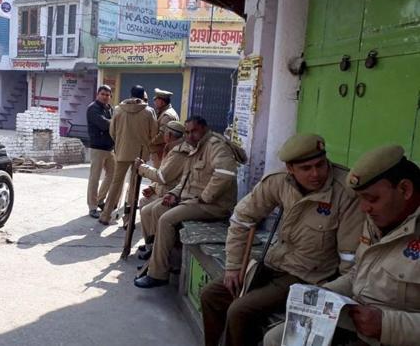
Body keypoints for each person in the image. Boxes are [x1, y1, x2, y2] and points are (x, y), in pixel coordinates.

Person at [200, 133, 365, 346]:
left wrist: (335, 299)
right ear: (290, 169)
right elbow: (242, 218)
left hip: (307, 276)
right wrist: (233, 266)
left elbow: (349, 257)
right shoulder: (279, 181)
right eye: (306, 169)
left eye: (320, 164)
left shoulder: (344, 192)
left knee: (239, 310)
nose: (316, 174)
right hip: (273, 262)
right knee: (211, 296)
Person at [264, 145, 420, 346]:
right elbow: (361, 271)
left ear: (405, 189)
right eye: (361, 199)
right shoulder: (380, 217)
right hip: (356, 323)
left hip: (395, 337)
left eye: (372, 199)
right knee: (276, 339)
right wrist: (323, 294)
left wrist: (386, 325)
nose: (364, 208)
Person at [133, 116, 239, 287]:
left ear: (204, 129)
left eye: (194, 131)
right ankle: (164, 261)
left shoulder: (215, 146)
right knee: (159, 209)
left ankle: (158, 274)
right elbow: (186, 180)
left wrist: (205, 197)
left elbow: (225, 174)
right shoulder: (195, 148)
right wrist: (174, 194)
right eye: (187, 132)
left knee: (166, 219)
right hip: (194, 200)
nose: (190, 135)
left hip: (214, 206)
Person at [99, 85, 157, 225]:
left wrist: (120, 143)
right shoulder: (149, 112)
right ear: (143, 96)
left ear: (130, 94)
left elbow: (112, 132)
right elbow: (154, 133)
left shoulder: (118, 110)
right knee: (134, 186)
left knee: (116, 184)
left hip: (122, 152)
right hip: (140, 154)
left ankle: (106, 215)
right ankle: (127, 219)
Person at [134, 121, 190, 258]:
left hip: (174, 193)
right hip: (166, 190)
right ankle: (150, 244)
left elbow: (164, 176)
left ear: (169, 135)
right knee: (144, 202)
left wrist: (142, 168)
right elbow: (165, 174)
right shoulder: (171, 148)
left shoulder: (179, 152)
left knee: (152, 210)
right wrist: (153, 187)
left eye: (164, 133)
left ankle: (156, 247)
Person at [86, 85, 115, 218]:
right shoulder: (93, 108)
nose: (105, 97)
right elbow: (104, 124)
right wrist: (116, 122)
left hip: (110, 148)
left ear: (110, 97)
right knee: (95, 178)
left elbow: (113, 125)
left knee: (112, 175)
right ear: (98, 94)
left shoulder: (110, 109)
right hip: (97, 147)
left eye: (107, 95)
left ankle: (100, 200)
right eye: (102, 94)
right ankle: (92, 207)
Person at [149, 88, 179, 169]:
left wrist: (150, 142)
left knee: (157, 178)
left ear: (162, 102)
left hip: (161, 152)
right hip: (162, 151)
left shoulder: (167, 115)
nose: (154, 102)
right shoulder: (165, 112)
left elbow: (162, 136)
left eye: (156, 100)